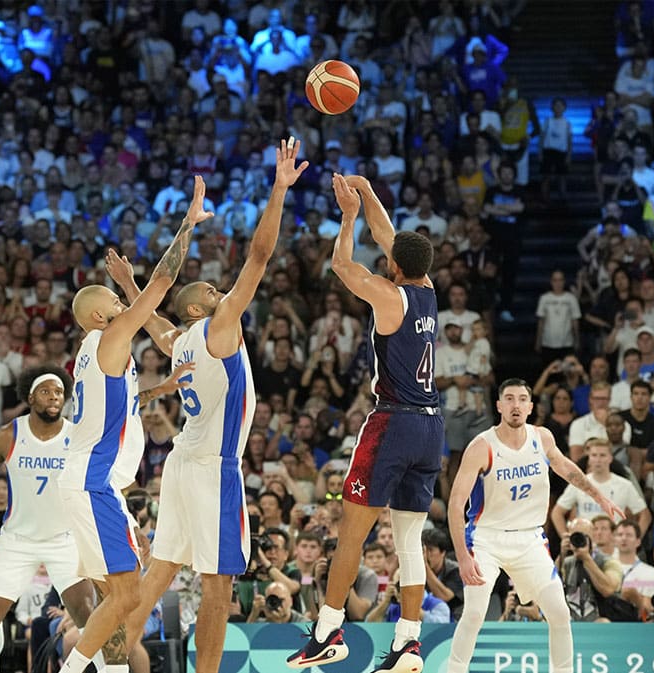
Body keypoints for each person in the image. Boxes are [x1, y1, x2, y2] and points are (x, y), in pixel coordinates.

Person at [112, 137, 307, 673]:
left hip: (179, 464)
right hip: (211, 468)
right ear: (202, 306)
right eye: (216, 291)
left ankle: (101, 660)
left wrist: (131, 285)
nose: (227, 293)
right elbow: (260, 257)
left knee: (160, 573)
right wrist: (278, 190)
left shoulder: (180, 341)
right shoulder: (218, 329)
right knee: (219, 581)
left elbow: (152, 318)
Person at [55, 176, 212, 673]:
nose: (128, 310)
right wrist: (189, 221)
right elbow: (162, 284)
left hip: (86, 480)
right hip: (92, 482)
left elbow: (115, 406)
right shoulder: (112, 334)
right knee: (126, 592)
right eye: (119, 306)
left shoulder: (93, 353)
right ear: (104, 316)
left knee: (116, 593)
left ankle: (110, 669)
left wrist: (160, 391)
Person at [287, 174, 442, 672]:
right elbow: (391, 237)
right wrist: (370, 191)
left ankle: (327, 631)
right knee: (409, 541)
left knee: (351, 534)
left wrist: (350, 214)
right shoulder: (429, 293)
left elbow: (340, 264)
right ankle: (408, 643)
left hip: (393, 423)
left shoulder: (388, 296)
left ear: (394, 266)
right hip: (431, 427)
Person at [445, 380, 624, 673]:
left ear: (530, 407)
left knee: (558, 611)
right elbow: (454, 505)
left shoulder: (542, 438)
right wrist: (463, 557)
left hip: (529, 538)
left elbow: (566, 467)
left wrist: (598, 495)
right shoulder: (481, 446)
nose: (516, 405)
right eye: (509, 399)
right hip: (486, 539)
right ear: (499, 405)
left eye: (522, 399)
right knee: (475, 611)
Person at [0, 365, 99, 673]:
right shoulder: (8, 435)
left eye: (58, 392)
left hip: (65, 538)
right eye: (46, 391)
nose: (54, 397)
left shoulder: (77, 436)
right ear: (30, 397)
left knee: (86, 612)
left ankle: (108, 669)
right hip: (17, 540)